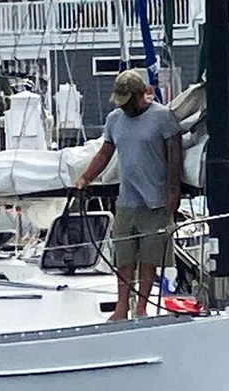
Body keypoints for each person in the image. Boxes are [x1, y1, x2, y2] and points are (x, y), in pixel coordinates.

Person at [75, 69, 182, 321]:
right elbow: (104, 153)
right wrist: (85, 177)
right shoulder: (115, 119)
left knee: (148, 258)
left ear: (138, 95)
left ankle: (142, 307)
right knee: (124, 257)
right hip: (127, 199)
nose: (124, 107)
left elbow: (175, 157)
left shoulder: (162, 117)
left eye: (127, 101)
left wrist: (173, 193)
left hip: (155, 199)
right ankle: (122, 306)